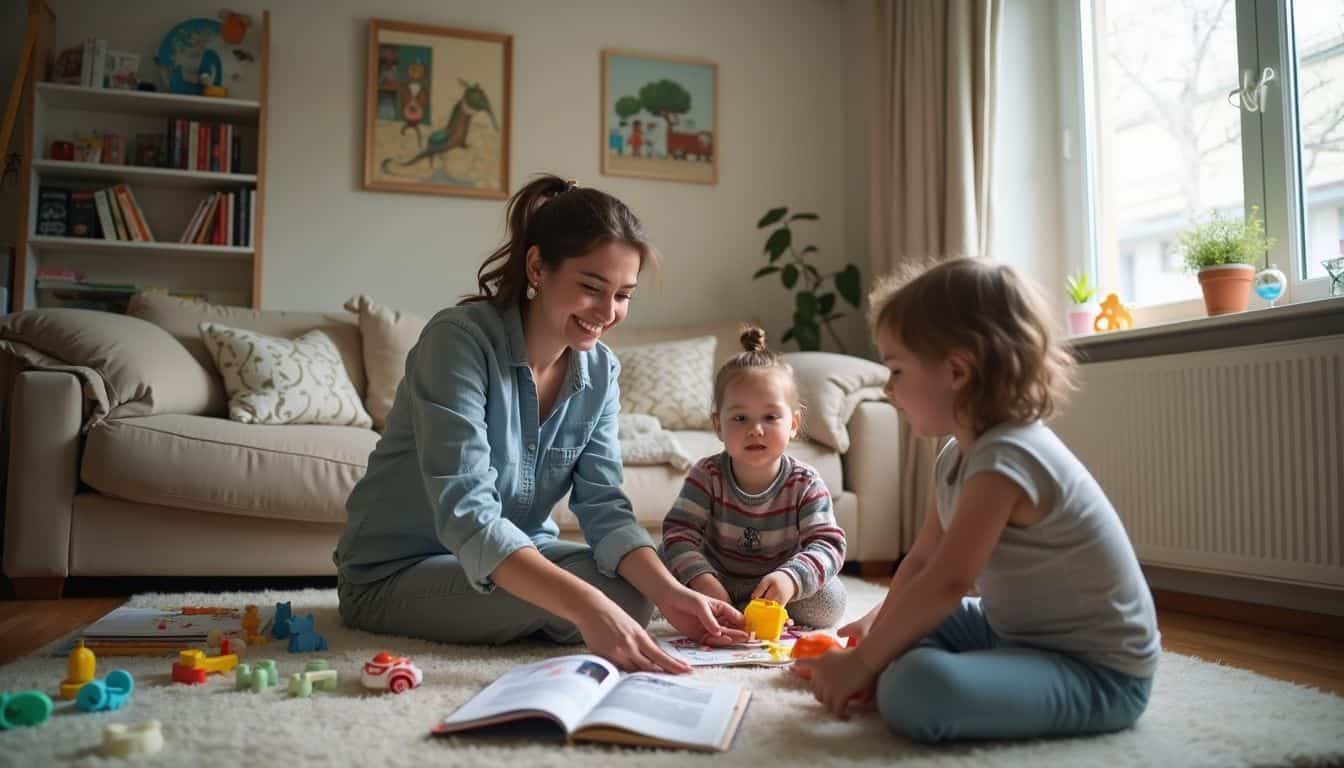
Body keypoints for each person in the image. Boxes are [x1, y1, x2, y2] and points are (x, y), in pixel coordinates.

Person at [335, 174, 746, 673]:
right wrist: (587, 607)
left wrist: (673, 593)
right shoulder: (457, 343)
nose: (608, 312)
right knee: (601, 602)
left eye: (623, 295)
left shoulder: (600, 371)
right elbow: (469, 515)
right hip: (395, 574)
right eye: (592, 288)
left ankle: (556, 608)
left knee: (633, 596)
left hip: (516, 557)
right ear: (537, 266)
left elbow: (604, 507)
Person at [796, 259, 1159, 742]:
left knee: (914, 688)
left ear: (956, 371)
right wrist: (875, 627)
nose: (888, 389)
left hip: (1097, 672)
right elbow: (923, 559)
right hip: (1012, 631)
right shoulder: (957, 453)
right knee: (894, 636)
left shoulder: (1008, 457)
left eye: (896, 369)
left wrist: (864, 662)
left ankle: (911, 673)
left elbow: (949, 581)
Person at [660, 326, 847, 629]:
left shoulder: (806, 483)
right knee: (660, 559)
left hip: (774, 586)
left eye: (771, 417)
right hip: (715, 577)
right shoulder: (706, 475)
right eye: (740, 418)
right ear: (718, 425)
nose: (755, 429)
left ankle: (748, 608)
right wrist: (703, 580)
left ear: (794, 423)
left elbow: (828, 544)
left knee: (831, 601)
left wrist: (790, 579)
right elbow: (679, 533)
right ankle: (721, 605)